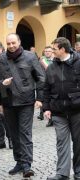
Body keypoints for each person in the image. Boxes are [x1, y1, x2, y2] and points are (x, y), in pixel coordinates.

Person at [0, 33, 45, 178]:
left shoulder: (30, 56)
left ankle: (26, 165)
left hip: (26, 102)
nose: (11, 46)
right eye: (8, 43)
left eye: (13, 43)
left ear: (19, 42)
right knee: (13, 134)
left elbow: (41, 78)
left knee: (25, 133)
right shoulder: (1, 58)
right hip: (8, 102)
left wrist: (40, 98)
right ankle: (18, 161)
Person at [43, 37, 80, 180]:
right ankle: (62, 174)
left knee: (78, 142)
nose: (52, 51)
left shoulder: (78, 63)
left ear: (62, 49)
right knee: (61, 142)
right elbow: (46, 88)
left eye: (54, 49)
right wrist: (46, 107)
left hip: (77, 110)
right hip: (58, 111)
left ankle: (78, 171)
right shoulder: (52, 66)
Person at [38, 46, 54, 127]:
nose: (47, 52)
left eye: (49, 51)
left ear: (52, 52)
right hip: (45, 84)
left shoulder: (55, 60)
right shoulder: (41, 61)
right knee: (47, 102)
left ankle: (55, 118)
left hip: (55, 84)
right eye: (46, 51)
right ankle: (50, 120)